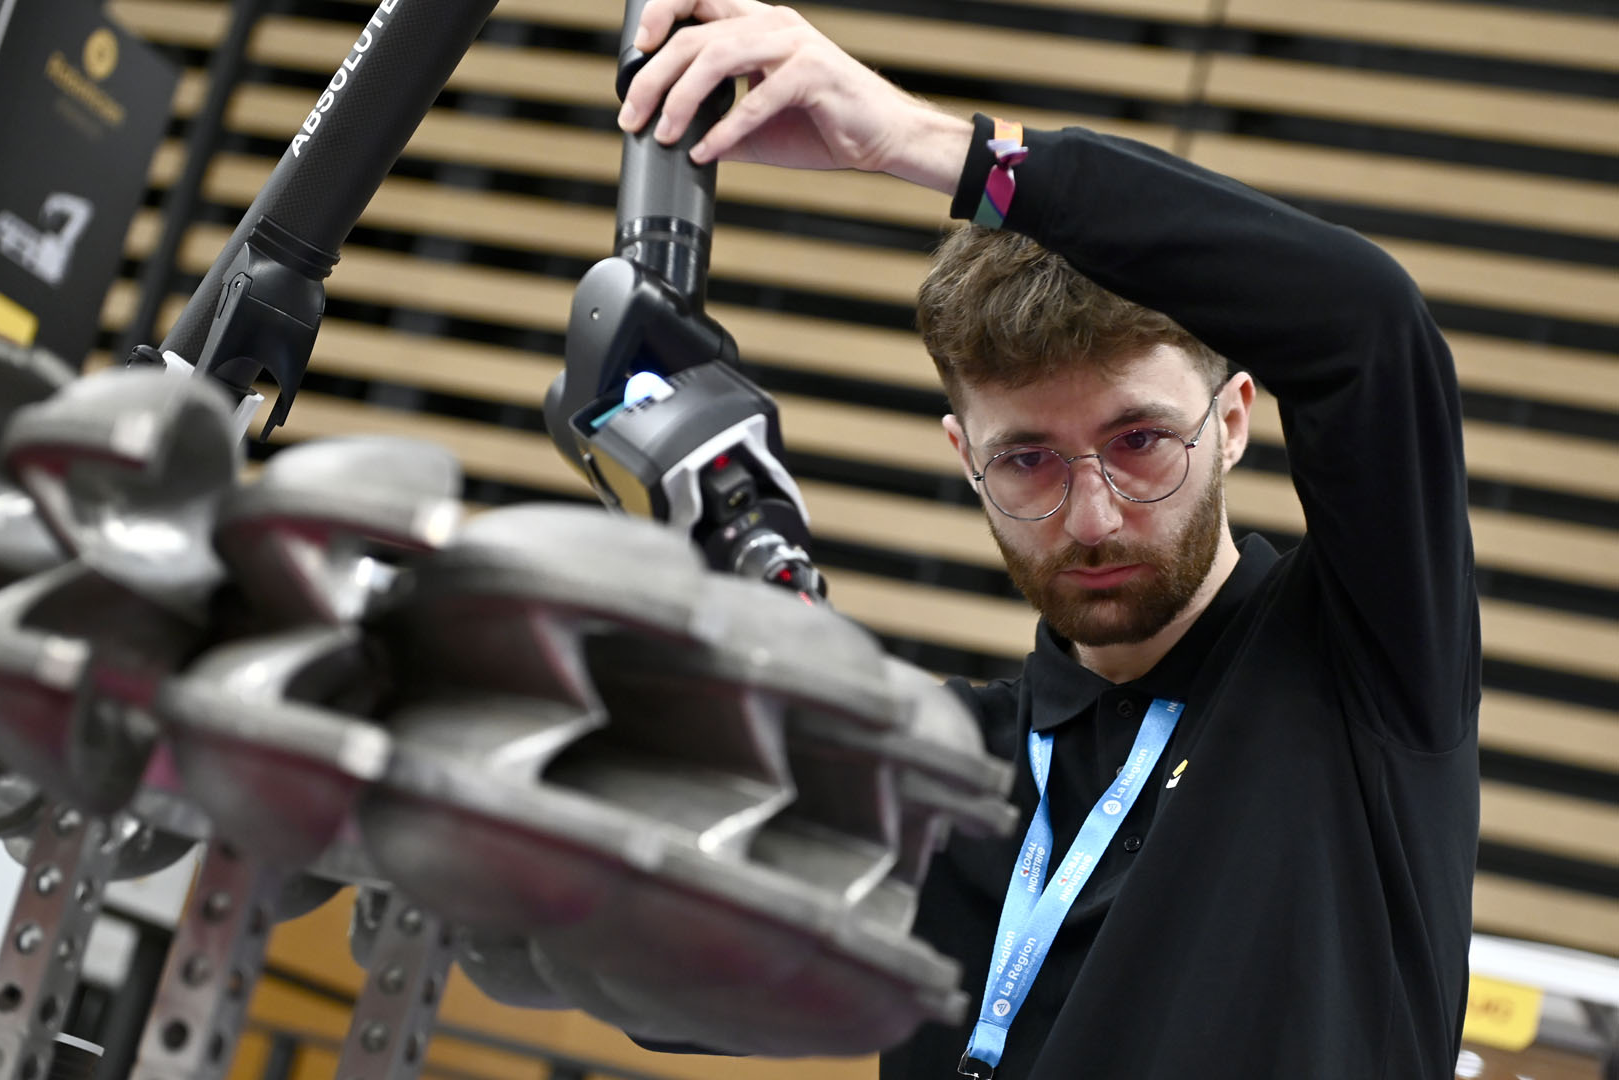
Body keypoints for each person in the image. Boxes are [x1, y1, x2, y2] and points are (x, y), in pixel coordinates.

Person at [620, 3, 1482, 1078]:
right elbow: (664, 980)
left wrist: (943, 152)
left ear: (1231, 420)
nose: (1093, 517)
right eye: (1029, 459)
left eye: (1139, 442)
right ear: (964, 457)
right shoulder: (941, 765)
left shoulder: (1365, 662)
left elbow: (1367, 322)